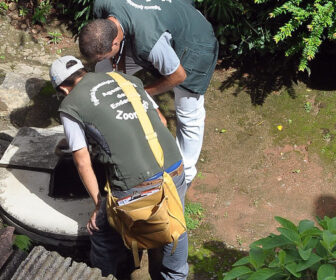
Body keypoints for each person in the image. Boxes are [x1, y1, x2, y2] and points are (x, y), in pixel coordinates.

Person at [49, 55, 188, 279]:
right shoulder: (125, 79)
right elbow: (161, 121)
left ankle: (103, 275)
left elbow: (82, 160)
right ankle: (174, 274)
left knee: (102, 231)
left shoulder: (70, 104)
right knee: (173, 226)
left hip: (137, 185)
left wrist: (98, 205)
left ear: (64, 90)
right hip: (174, 166)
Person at [78, 0, 219, 187]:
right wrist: (119, 76)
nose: (108, 57)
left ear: (115, 42)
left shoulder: (150, 42)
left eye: (107, 53)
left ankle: (184, 175)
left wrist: (140, 93)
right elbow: (115, 58)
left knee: (188, 112)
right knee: (103, 69)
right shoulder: (104, 5)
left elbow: (178, 76)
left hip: (194, 41)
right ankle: (110, 127)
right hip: (159, 22)